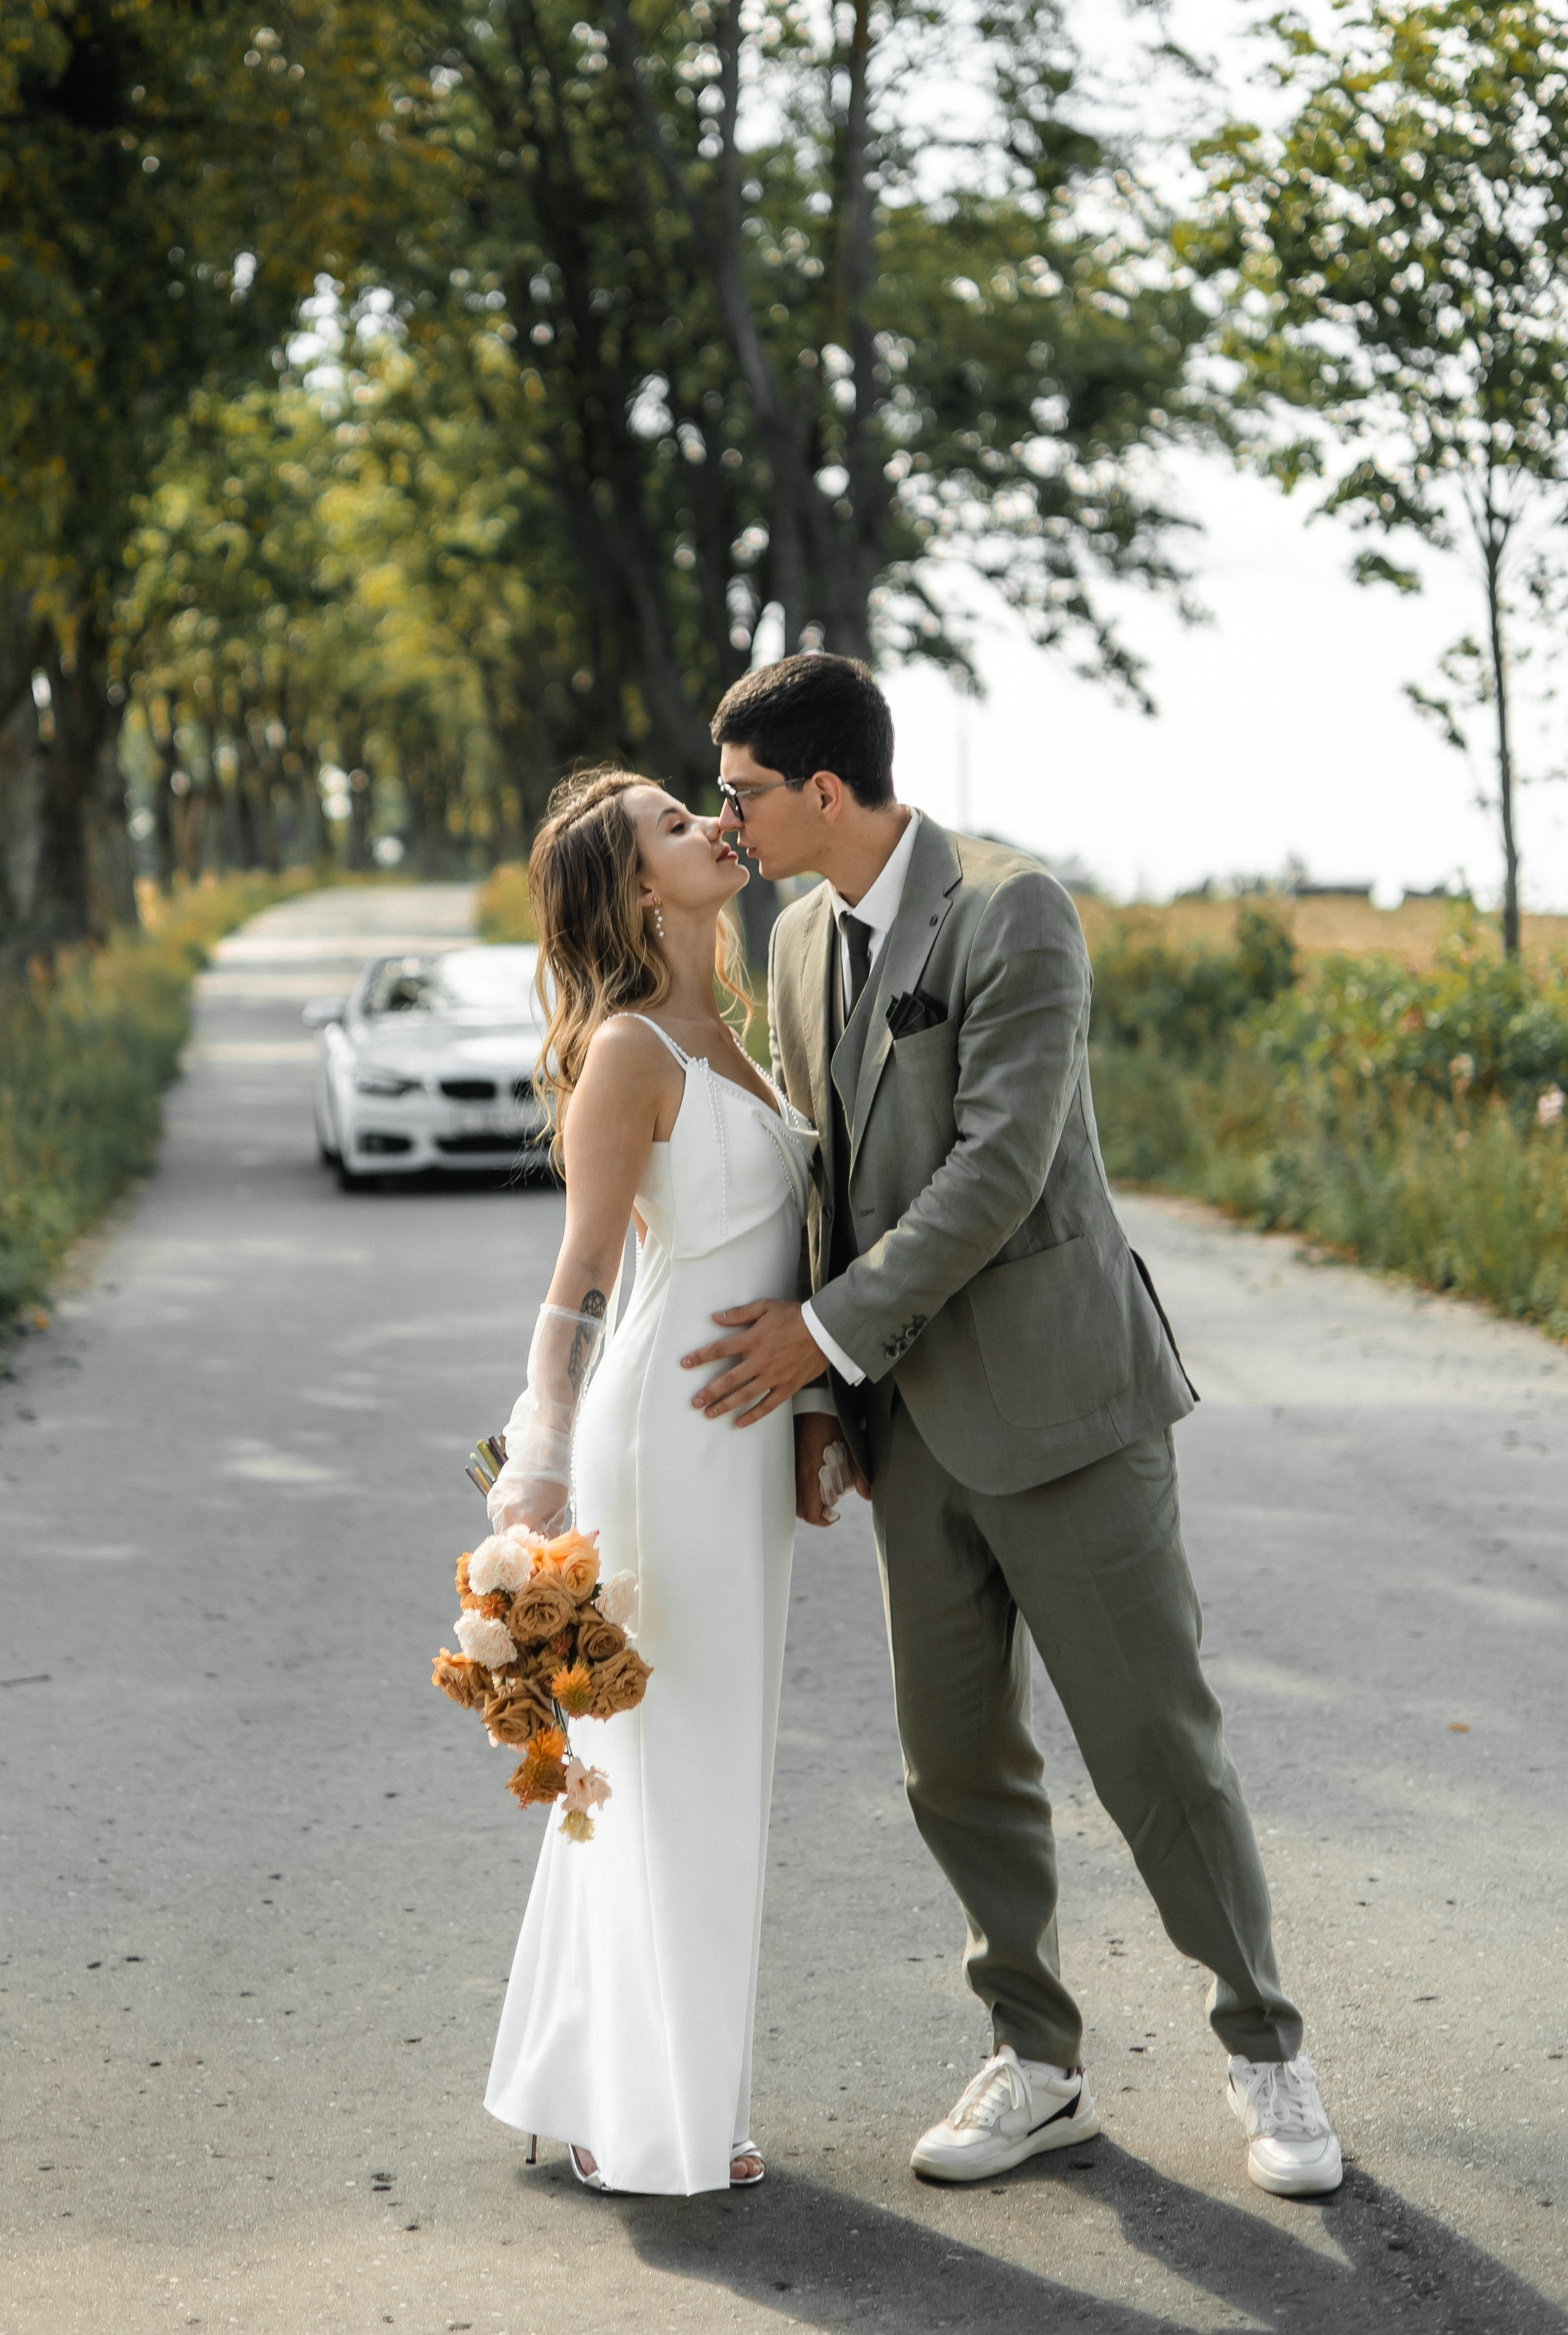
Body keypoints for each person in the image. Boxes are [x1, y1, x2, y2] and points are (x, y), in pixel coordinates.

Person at [680, 650, 1343, 2200]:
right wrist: (831, 1403)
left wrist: (818, 1334)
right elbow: (822, 1182)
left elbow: (997, 1166)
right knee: (951, 1764)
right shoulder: (785, 939)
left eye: (744, 792)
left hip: (1065, 1412)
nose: (730, 820)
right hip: (912, 1432)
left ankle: (1265, 2052)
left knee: (1152, 1749)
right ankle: (1033, 2061)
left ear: (822, 790)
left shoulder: (1009, 907)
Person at [481, 766, 817, 2195]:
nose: (711, 828)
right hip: (658, 1442)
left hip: (742, 1442)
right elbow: (577, 1283)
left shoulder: (735, 1032)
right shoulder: (629, 1051)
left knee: (710, 1759)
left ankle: (619, 2070)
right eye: (674, 826)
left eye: (700, 809)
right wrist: (538, 1460)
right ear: (632, 890)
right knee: (655, 1762)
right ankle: (647, 2102)